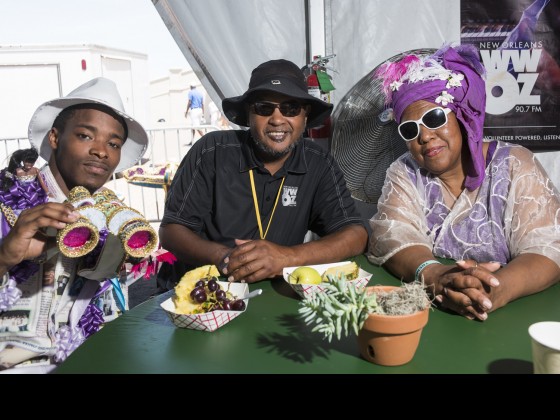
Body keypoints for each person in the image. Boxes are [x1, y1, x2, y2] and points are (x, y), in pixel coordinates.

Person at [367, 44, 560, 321]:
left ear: (463, 117)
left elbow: (549, 247)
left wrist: (493, 290)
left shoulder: (515, 164)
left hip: (514, 317)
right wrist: (436, 276)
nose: (424, 136)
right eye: (410, 130)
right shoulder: (405, 172)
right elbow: (392, 235)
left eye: (434, 118)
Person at [158, 59, 368, 288]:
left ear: (305, 116)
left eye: (291, 108)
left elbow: (355, 234)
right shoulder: (212, 151)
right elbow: (171, 231)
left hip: (276, 295)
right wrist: (224, 257)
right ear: (249, 114)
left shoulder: (318, 162)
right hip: (207, 293)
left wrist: (287, 258)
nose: (277, 119)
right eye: (264, 108)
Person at [0, 77, 149, 372]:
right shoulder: (7, 200)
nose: (101, 151)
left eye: (113, 143)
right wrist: (6, 254)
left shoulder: (112, 213)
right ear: (55, 138)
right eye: (85, 136)